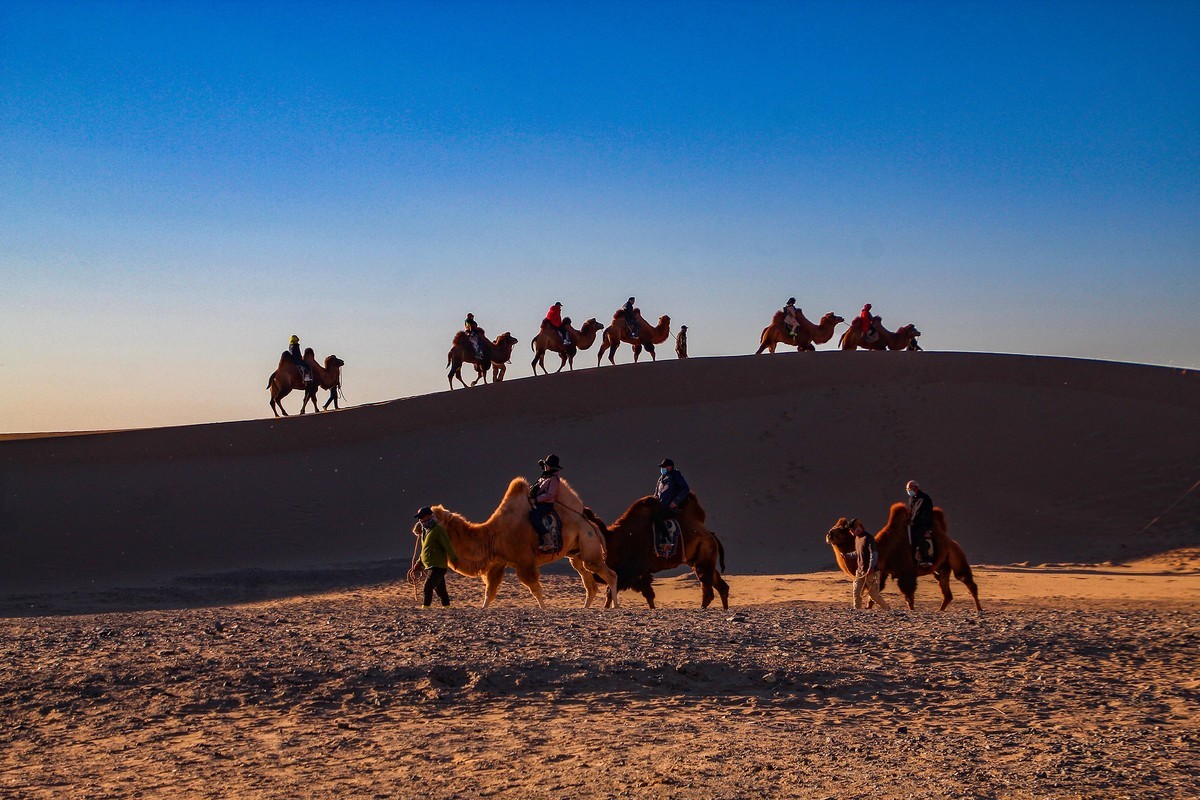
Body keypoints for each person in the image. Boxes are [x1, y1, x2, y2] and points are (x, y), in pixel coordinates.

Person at [413, 506, 457, 608]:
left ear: (428, 516)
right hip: (430, 565)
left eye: (421, 517)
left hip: (438, 566)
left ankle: (425, 607)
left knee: (427, 587)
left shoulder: (438, 529)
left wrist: (454, 559)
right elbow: (425, 549)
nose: (420, 519)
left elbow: (447, 545)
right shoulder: (425, 531)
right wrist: (419, 563)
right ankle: (447, 607)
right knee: (440, 589)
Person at [850, 518, 890, 610]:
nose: (851, 532)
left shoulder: (868, 538)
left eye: (852, 530)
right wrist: (847, 555)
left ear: (857, 529)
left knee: (874, 595)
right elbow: (858, 552)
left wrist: (871, 567)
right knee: (856, 593)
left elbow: (874, 553)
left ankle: (887, 609)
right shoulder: (857, 539)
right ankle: (857, 612)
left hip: (872, 572)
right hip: (860, 572)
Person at [528, 454, 562, 551]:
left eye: (547, 465)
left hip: (546, 504)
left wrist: (536, 499)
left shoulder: (554, 479)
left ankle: (548, 541)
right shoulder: (547, 477)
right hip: (540, 502)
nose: (545, 467)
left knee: (534, 517)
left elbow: (550, 494)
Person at [654, 458, 690, 532]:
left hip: (670, 508)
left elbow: (685, 489)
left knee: (658, 517)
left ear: (670, 467)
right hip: (661, 508)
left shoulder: (675, 475)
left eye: (664, 467)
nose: (662, 469)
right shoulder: (661, 479)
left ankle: (666, 536)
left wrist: (675, 501)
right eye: (662, 467)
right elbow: (656, 493)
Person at [907, 480, 935, 567]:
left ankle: (926, 559)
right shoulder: (911, 499)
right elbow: (911, 512)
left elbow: (927, 514)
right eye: (907, 489)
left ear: (916, 488)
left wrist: (916, 522)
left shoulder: (925, 498)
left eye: (910, 489)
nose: (908, 491)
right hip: (913, 525)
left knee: (919, 536)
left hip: (924, 524)